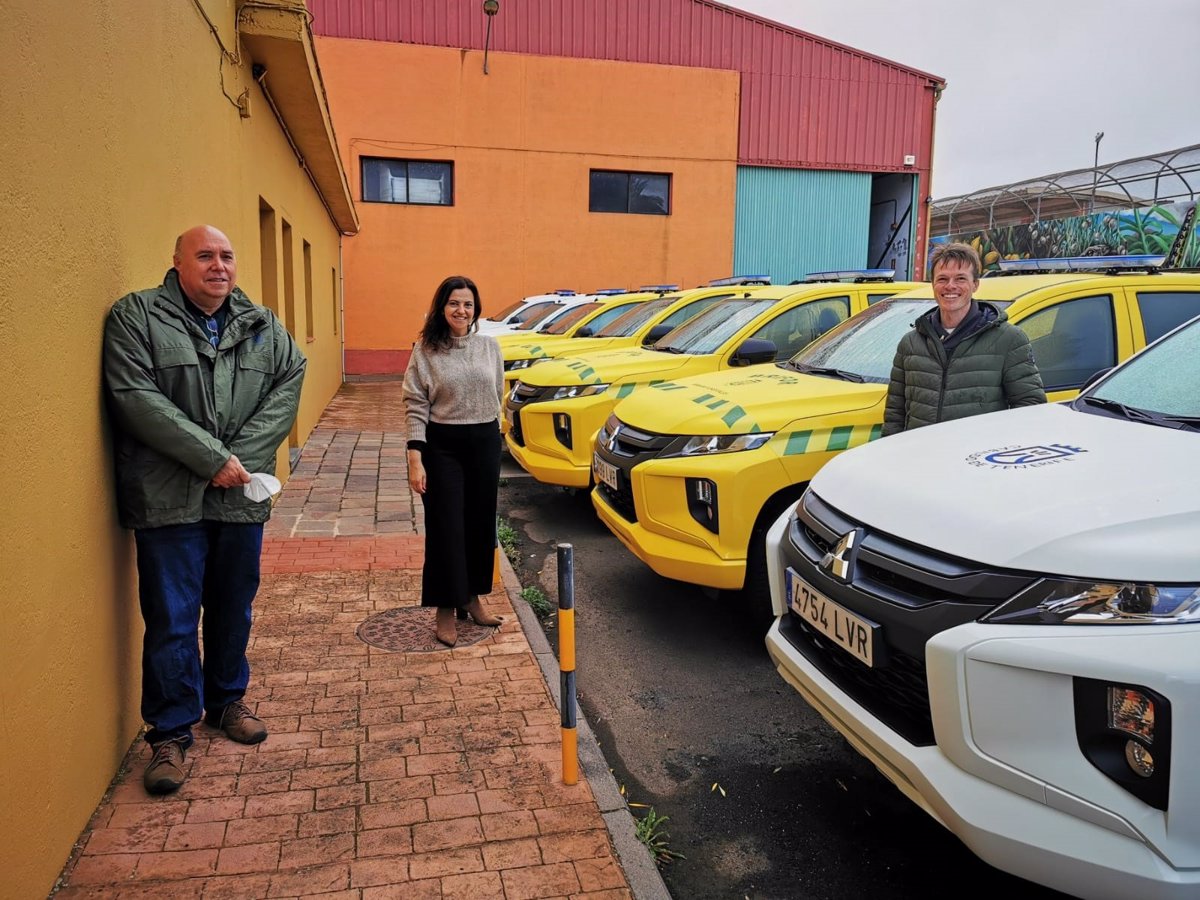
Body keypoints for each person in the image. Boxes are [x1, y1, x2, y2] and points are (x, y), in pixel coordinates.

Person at [103, 225, 306, 794]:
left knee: (233, 606)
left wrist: (235, 460)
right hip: (167, 499)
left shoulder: (263, 325)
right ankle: (169, 733)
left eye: (226, 256)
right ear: (177, 263)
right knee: (171, 619)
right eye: (205, 256)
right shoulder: (137, 317)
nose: (218, 265)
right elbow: (134, 398)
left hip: (237, 496)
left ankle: (226, 702)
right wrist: (211, 457)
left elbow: (290, 382)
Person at [404, 276, 506, 647]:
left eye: (467, 304)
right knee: (447, 525)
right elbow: (415, 404)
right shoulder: (426, 351)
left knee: (479, 524)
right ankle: (445, 607)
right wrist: (416, 458)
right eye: (453, 304)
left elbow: (497, 393)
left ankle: (472, 598)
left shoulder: (490, 348)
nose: (461, 310)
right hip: (442, 445)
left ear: (475, 308)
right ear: (441, 308)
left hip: (484, 442)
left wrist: (496, 433)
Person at [883, 242, 1045, 436]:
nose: (950, 286)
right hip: (921, 458)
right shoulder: (910, 344)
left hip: (976, 460)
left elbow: (1031, 410)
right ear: (933, 284)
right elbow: (895, 415)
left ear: (975, 284)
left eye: (960, 278)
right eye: (942, 278)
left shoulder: (1009, 340)